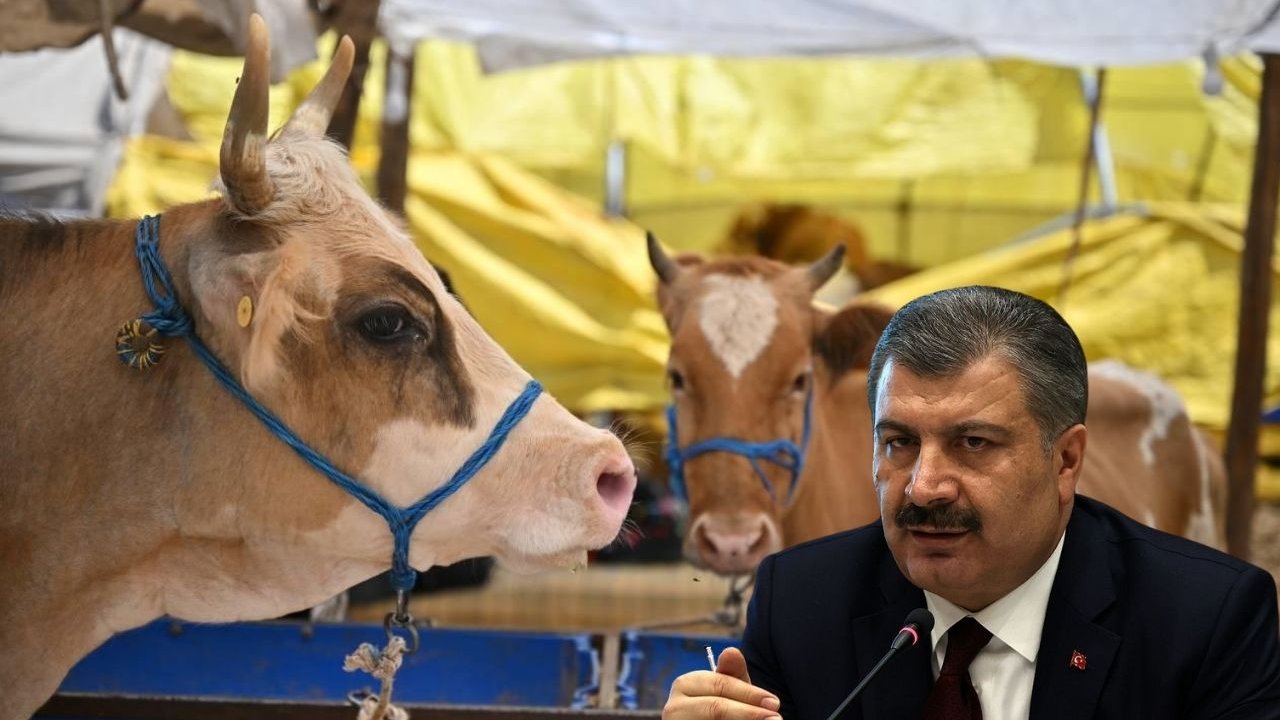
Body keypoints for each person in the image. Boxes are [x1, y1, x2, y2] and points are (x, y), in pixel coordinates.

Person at [662, 285, 1280, 720]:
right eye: (900, 442)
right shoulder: (799, 604)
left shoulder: (1208, 621)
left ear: (1066, 461)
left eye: (973, 443)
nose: (923, 486)